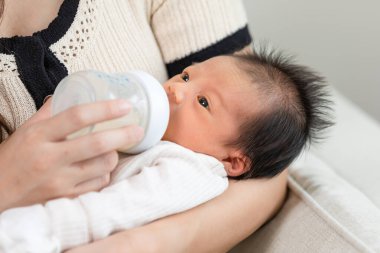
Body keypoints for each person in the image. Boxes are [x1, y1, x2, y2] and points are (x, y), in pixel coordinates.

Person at [0, 0, 289, 252]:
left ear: (233, 161)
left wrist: (144, 244)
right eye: (186, 77)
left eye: (203, 102)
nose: (175, 90)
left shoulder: (187, 170)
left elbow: (267, 166)